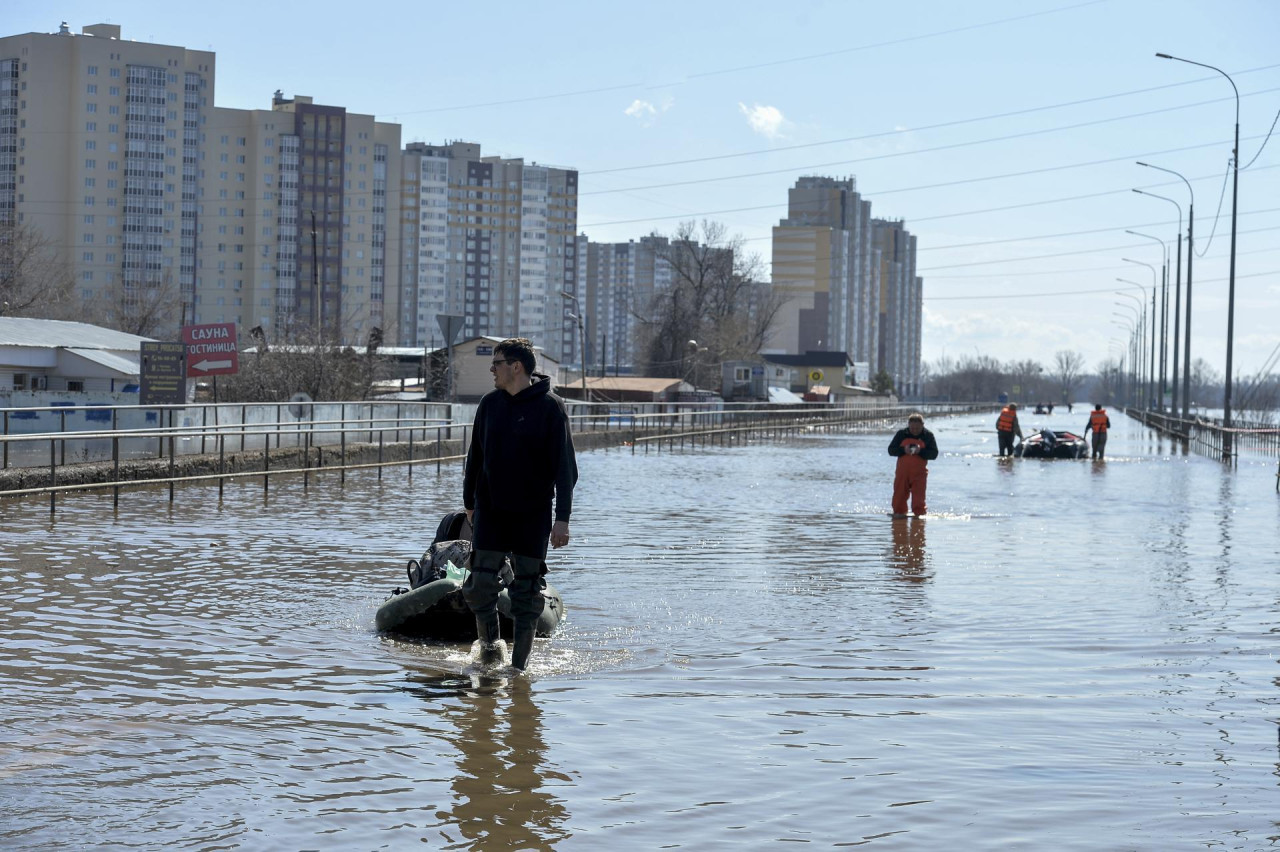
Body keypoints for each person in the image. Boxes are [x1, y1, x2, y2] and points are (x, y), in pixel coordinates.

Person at [462, 338, 578, 672]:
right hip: (492, 511)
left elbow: (566, 469)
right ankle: (490, 654)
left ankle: (518, 670)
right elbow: (476, 458)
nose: (491, 370)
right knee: (479, 587)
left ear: (516, 367)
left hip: (532, 515)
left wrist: (563, 519)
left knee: (526, 598)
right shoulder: (489, 404)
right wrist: (470, 502)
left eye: (496, 363)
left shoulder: (551, 408)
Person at [887, 412, 938, 518]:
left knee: (919, 500)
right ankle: (899, 518)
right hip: (902, 472)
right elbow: (891, 450)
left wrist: (920, 451)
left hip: (919, 473)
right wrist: (903, 450)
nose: (914, 430)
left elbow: (934, 454)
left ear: (922, 425)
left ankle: (919, 520)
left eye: (917, 428)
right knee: (899, 498)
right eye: (912, 428)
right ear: (908, 425)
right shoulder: (901, 434)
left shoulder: (928, 436)